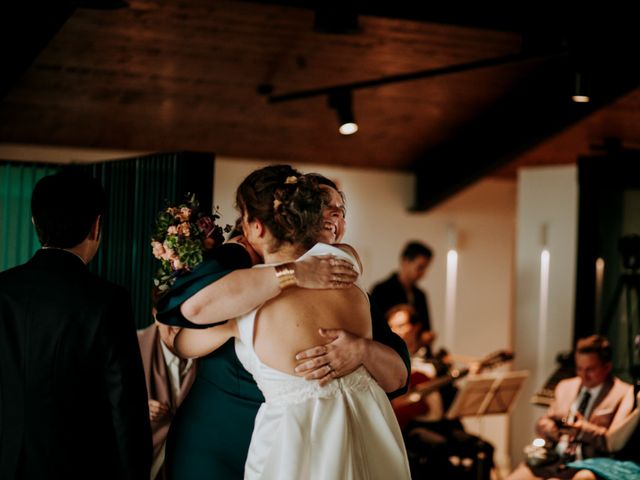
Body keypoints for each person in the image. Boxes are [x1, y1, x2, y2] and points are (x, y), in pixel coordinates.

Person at [156, 169, 410, 479]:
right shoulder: (235, 269)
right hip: (221, 435)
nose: (331, 218)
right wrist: (290, 274)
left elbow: (398, 375)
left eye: (339, 212)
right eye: (321, 207)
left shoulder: (342, 276)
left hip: (303, 441)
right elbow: (178, 329)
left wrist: (361, 351)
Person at [0, 169, 151, 479]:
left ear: (34, 223)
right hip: (79, 466)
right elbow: (125, 404)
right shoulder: (107, 300)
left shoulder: (2, 288)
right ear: (96, 226)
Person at [388, 304, 495, 479]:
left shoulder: (436, 362)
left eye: (400, 326)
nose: (395, 331)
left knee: (483, 447)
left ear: (415, 328)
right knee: (439, 449)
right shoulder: (391, 361)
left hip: (441, 424)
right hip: (411, 426)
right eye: (391, 326)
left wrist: (471, 378)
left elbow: (453, 400)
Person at [507, 335, 635, 480]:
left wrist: (581, 430)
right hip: (553, 461)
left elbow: (612, 442)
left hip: (590, 464)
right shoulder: (565, 386)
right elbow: (544, 422)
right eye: (579, 368)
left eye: (590, 369)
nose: (583, 375)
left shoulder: (623, 393)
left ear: (607, 367)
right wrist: (547, 427)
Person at [138, 317, 197, 480]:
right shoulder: (133, 346)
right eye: (170, 314)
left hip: (189, 463)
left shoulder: (208, 353)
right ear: (156, 316)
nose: (178, 322)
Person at [371, 240, 436, 351]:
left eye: (425, 268)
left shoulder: (421, 295)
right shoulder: (381, 290)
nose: (423, 273)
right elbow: (374, 329)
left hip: (414, 356)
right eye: (420, 267)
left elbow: (426, 329)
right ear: (405, 261)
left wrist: (425, 339)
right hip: (388, 353)